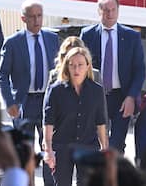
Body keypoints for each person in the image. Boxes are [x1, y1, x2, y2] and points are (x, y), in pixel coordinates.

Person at [0, 0, 59, 186]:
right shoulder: (13, 42)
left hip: (48, 101)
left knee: (49, 148)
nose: (36, 20)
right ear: (23, 19)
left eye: (39, 16)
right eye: (32, 17)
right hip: (24, 103)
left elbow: (59, 69)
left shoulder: (52, 38)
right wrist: (10, 102)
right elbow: (2, 74)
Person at [80, 0, 145, 152]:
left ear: (118, 11)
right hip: (96, 96)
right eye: (105, 10)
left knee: (116, 145)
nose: (110, 14)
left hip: (121, 98)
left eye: (113, 10)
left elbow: (139, 70)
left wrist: (131, 96)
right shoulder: (87, 35)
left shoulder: (131, 36)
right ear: (99, 11)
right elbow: (80, 67)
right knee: (94, 143)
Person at [43, 47, 109, 186]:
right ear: (67, 66)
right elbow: (48, 121)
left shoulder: (96, 91)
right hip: (62, 147)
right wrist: (48, 150)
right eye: (72, 65)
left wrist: (105, 149)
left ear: (88, 66)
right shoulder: (56, 90)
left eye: (80, 65)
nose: (76, 69)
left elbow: (101, 121)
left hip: (88, 146)